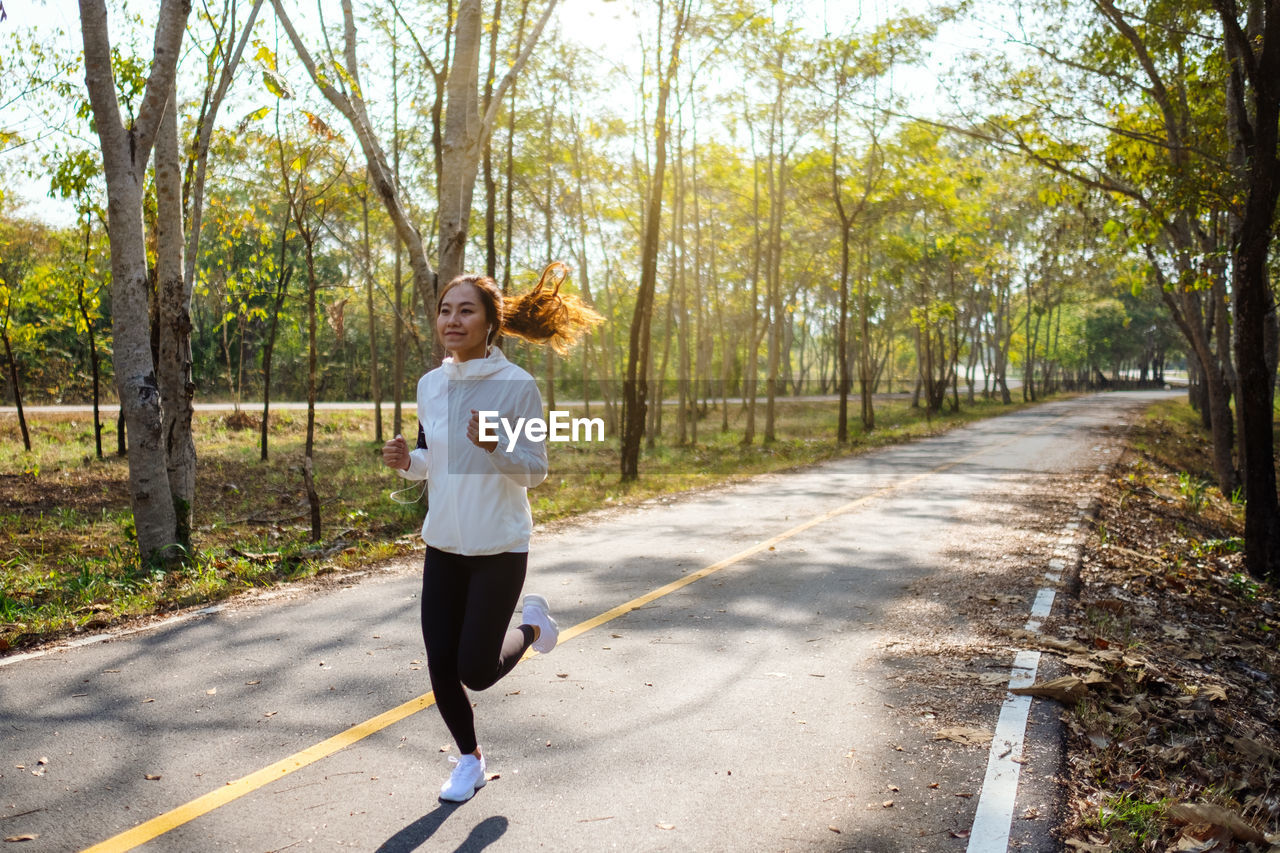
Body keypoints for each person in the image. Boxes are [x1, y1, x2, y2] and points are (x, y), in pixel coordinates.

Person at [381, 263, 601, 803]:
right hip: (444, 545)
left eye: (465, 310)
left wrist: (496, 445)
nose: (451, 320)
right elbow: (434, 459)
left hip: (500, 546)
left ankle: (531, 627)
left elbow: (536, 470)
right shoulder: (430, 385)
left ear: (489, 322)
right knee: (440, 663)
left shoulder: (516, 386)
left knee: (475, 671)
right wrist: (409, 461)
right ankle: (469, 760)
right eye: (444, 310)